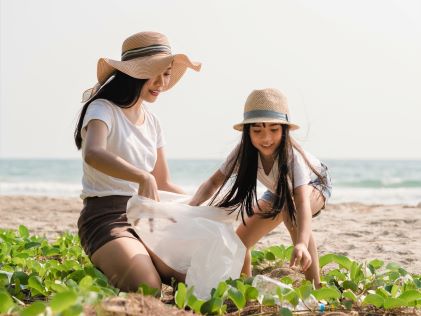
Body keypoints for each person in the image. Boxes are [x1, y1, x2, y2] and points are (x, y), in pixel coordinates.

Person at [73, 31, 201, 292]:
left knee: (198, 278)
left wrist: (202, 202)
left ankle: (131, 258)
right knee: (148, 286)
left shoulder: (152, 121)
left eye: (166, 73)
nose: (161, 83)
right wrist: (142, 176)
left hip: (149, 217)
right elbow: (93, 153)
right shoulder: (103, 108)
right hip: (106, 217)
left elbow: (163, 182)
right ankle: (116, 258)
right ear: (133, 73)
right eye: (154, 73)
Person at [189, 88, 332, 288]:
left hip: (315, 184)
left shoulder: (293, 157)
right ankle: (246, 287)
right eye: (257, 131)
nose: (266, 138)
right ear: (248, 132)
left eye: (274, 130)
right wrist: (193, 205)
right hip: (278, 192)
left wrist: (301, 242)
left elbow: (301, 202)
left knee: (290, 210)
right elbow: (213, 182)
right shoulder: (242, 153)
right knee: (239, 242)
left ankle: (315, 286)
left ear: (285, 129)